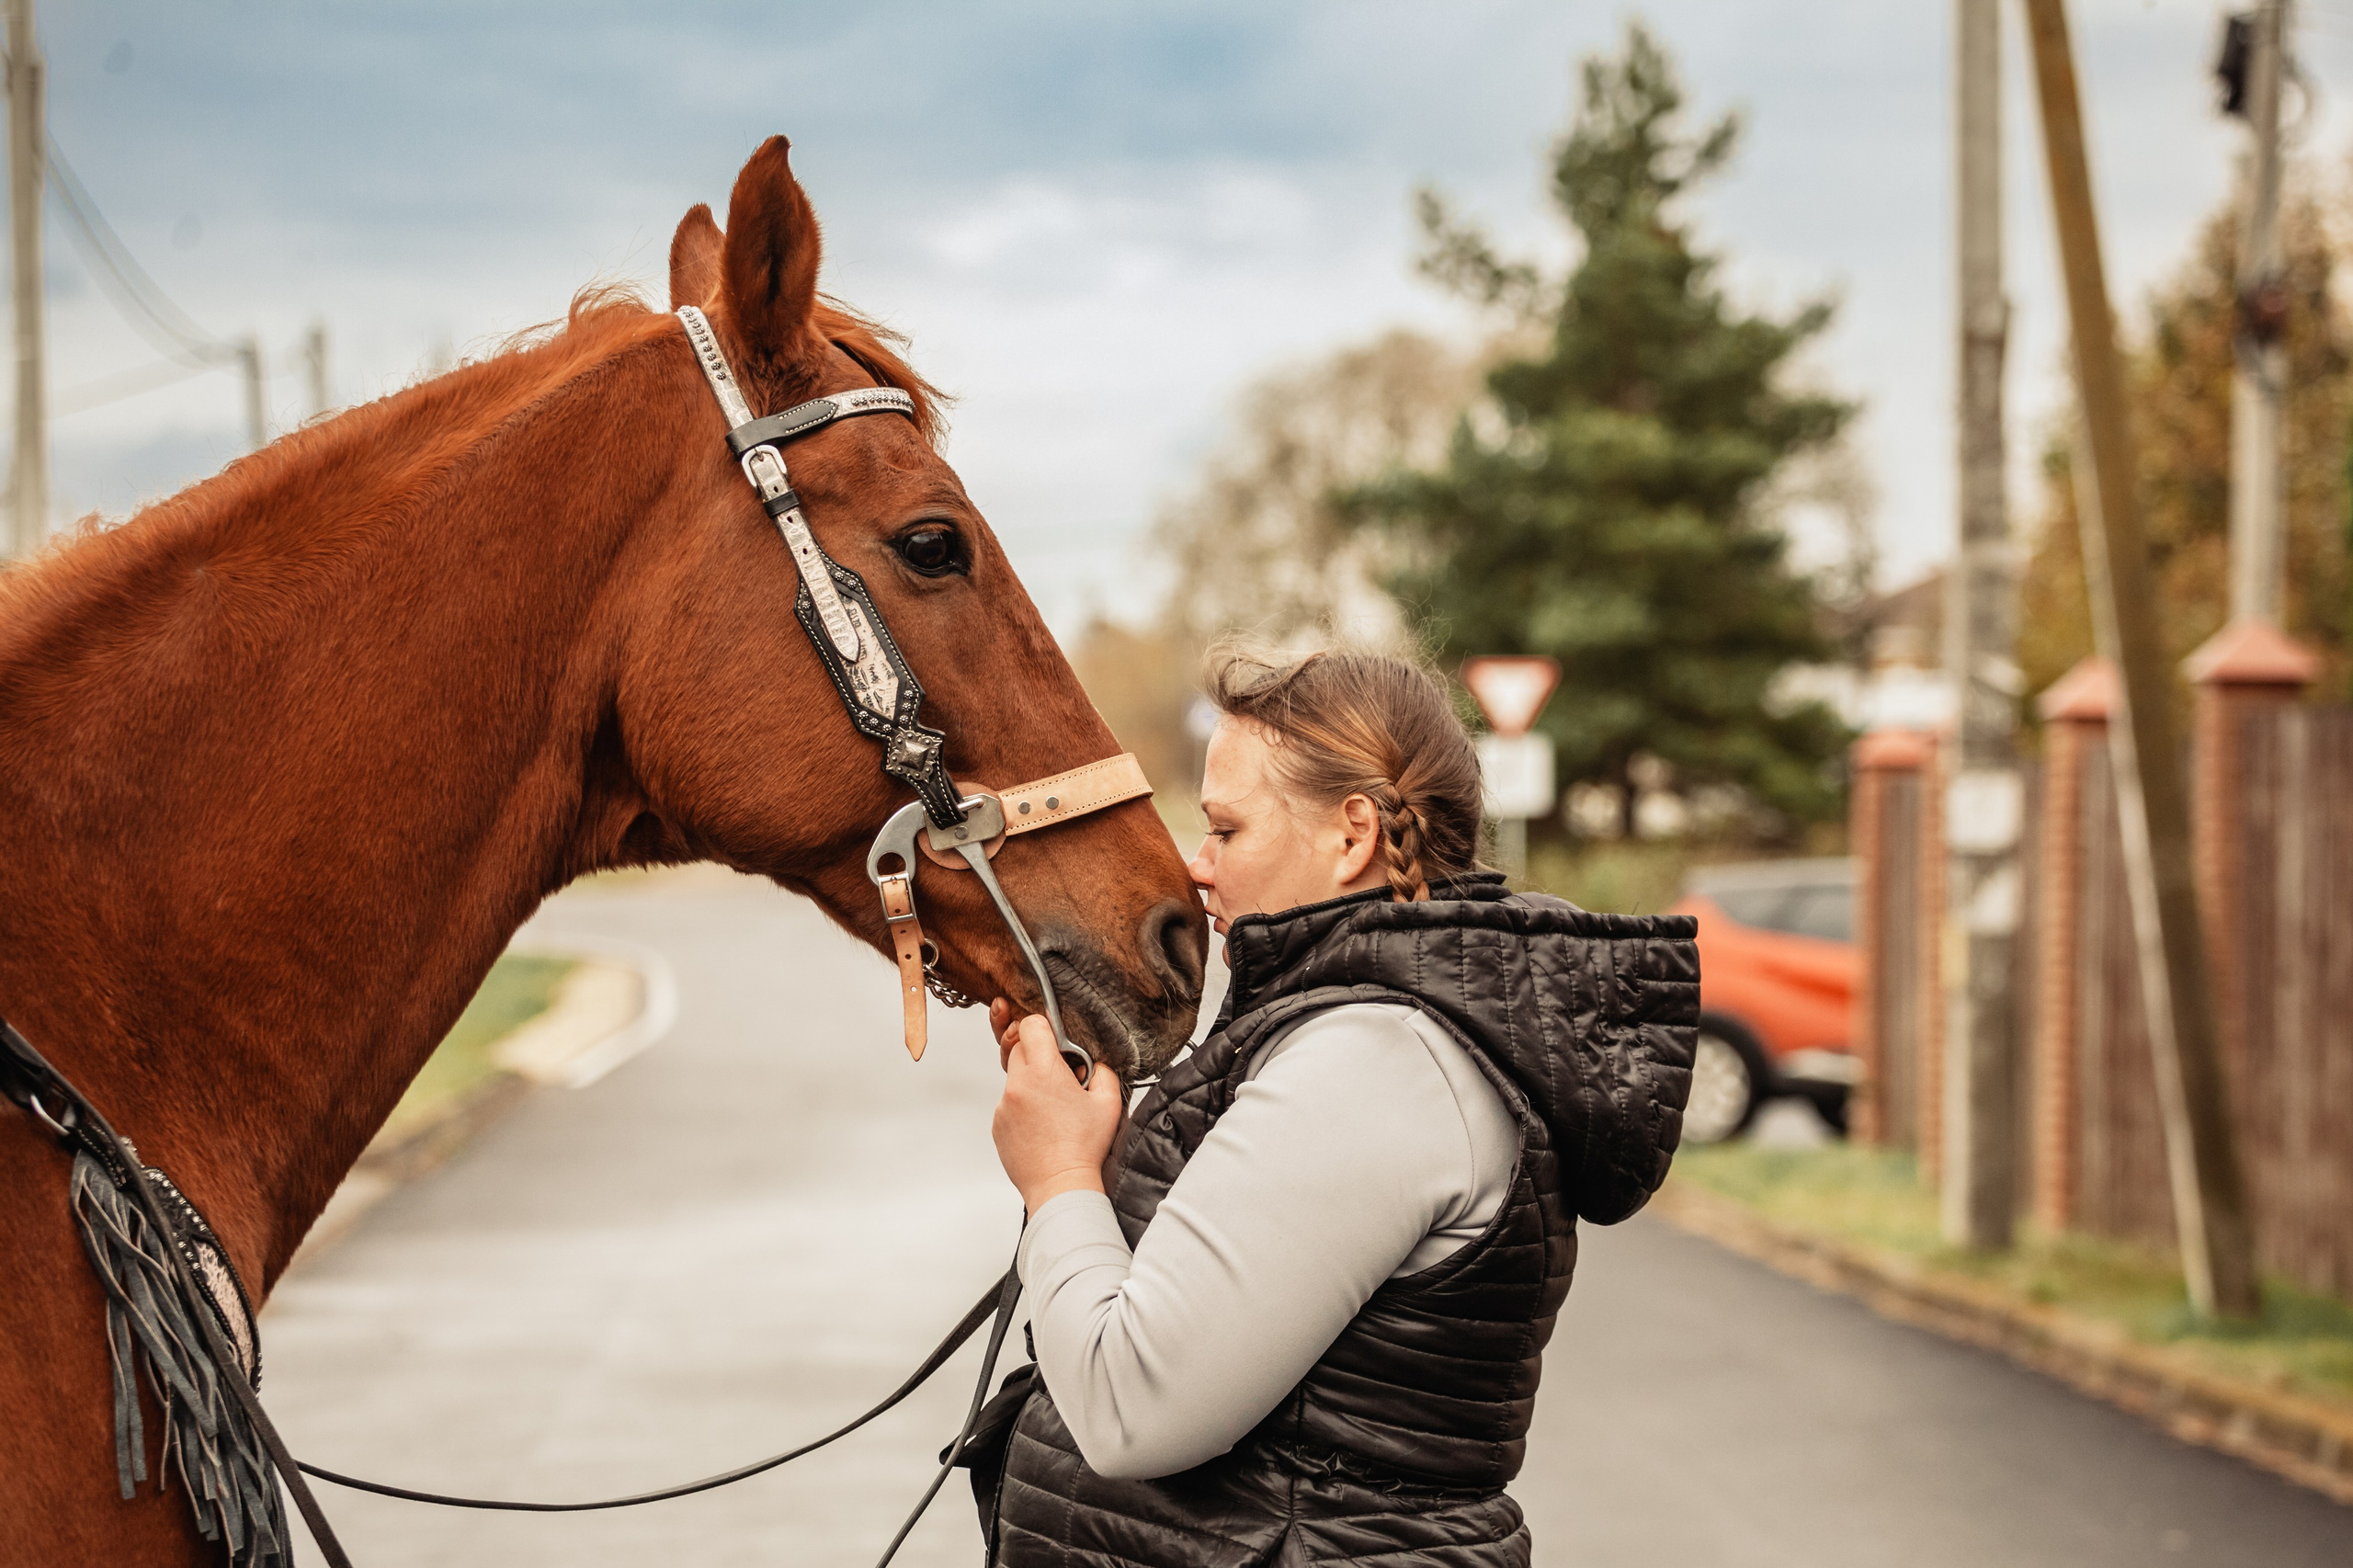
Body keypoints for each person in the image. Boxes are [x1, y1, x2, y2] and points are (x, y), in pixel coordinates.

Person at [978, 648, 1698, 1567]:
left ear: (1351, 833)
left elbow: (1132, 1406)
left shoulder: (1379, 1059)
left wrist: (1059, 1176)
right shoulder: (1370, 1033)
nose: (1196, 868)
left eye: (1226, 830)